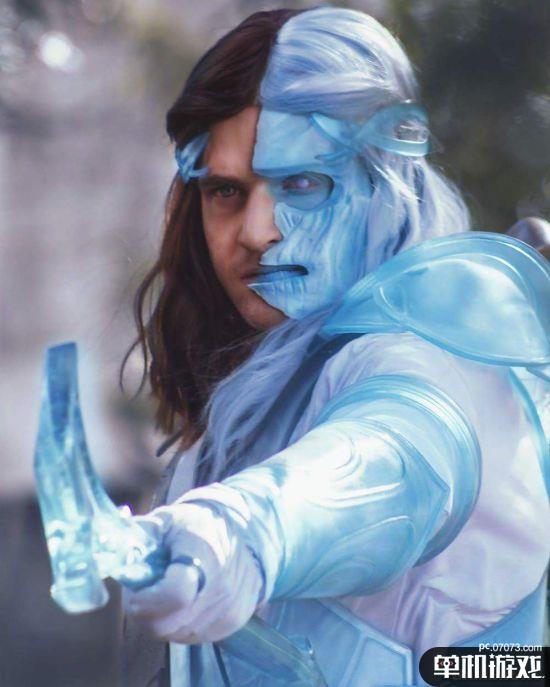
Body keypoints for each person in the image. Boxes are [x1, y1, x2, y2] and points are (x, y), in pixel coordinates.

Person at [121, 7, 550, 687]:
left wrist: (243, 529)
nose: (258, 230)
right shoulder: (265, 380)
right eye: (227, 191)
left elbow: (393, 453)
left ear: (384, 182)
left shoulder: (435, 355)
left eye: (303, 184)